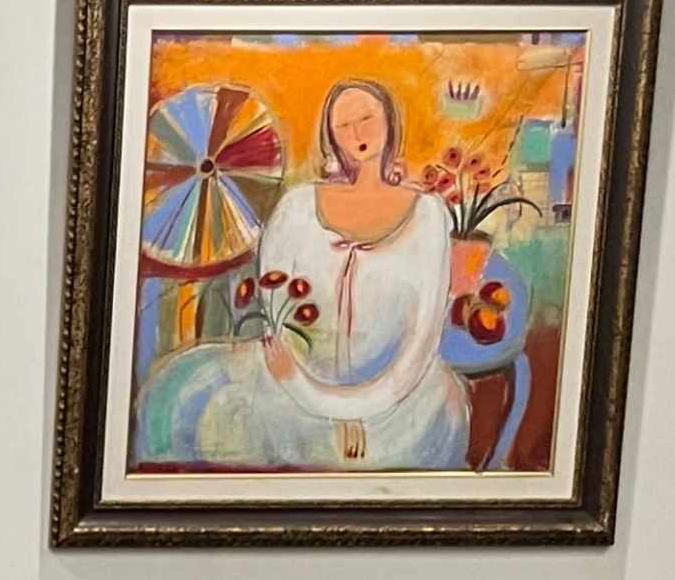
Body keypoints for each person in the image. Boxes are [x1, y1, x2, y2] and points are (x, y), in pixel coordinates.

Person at [133, 78, 473, 472]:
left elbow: (420, 343)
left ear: (390, 123)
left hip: (401, 402)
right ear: (330, 138)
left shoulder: (429, 215)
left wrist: (353, 411)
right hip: (290, 387)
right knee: (190, 404)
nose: (357, 133)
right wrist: (312, 397)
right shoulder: (296, 208)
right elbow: (278, 320)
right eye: (343, 125)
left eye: (367, 118)